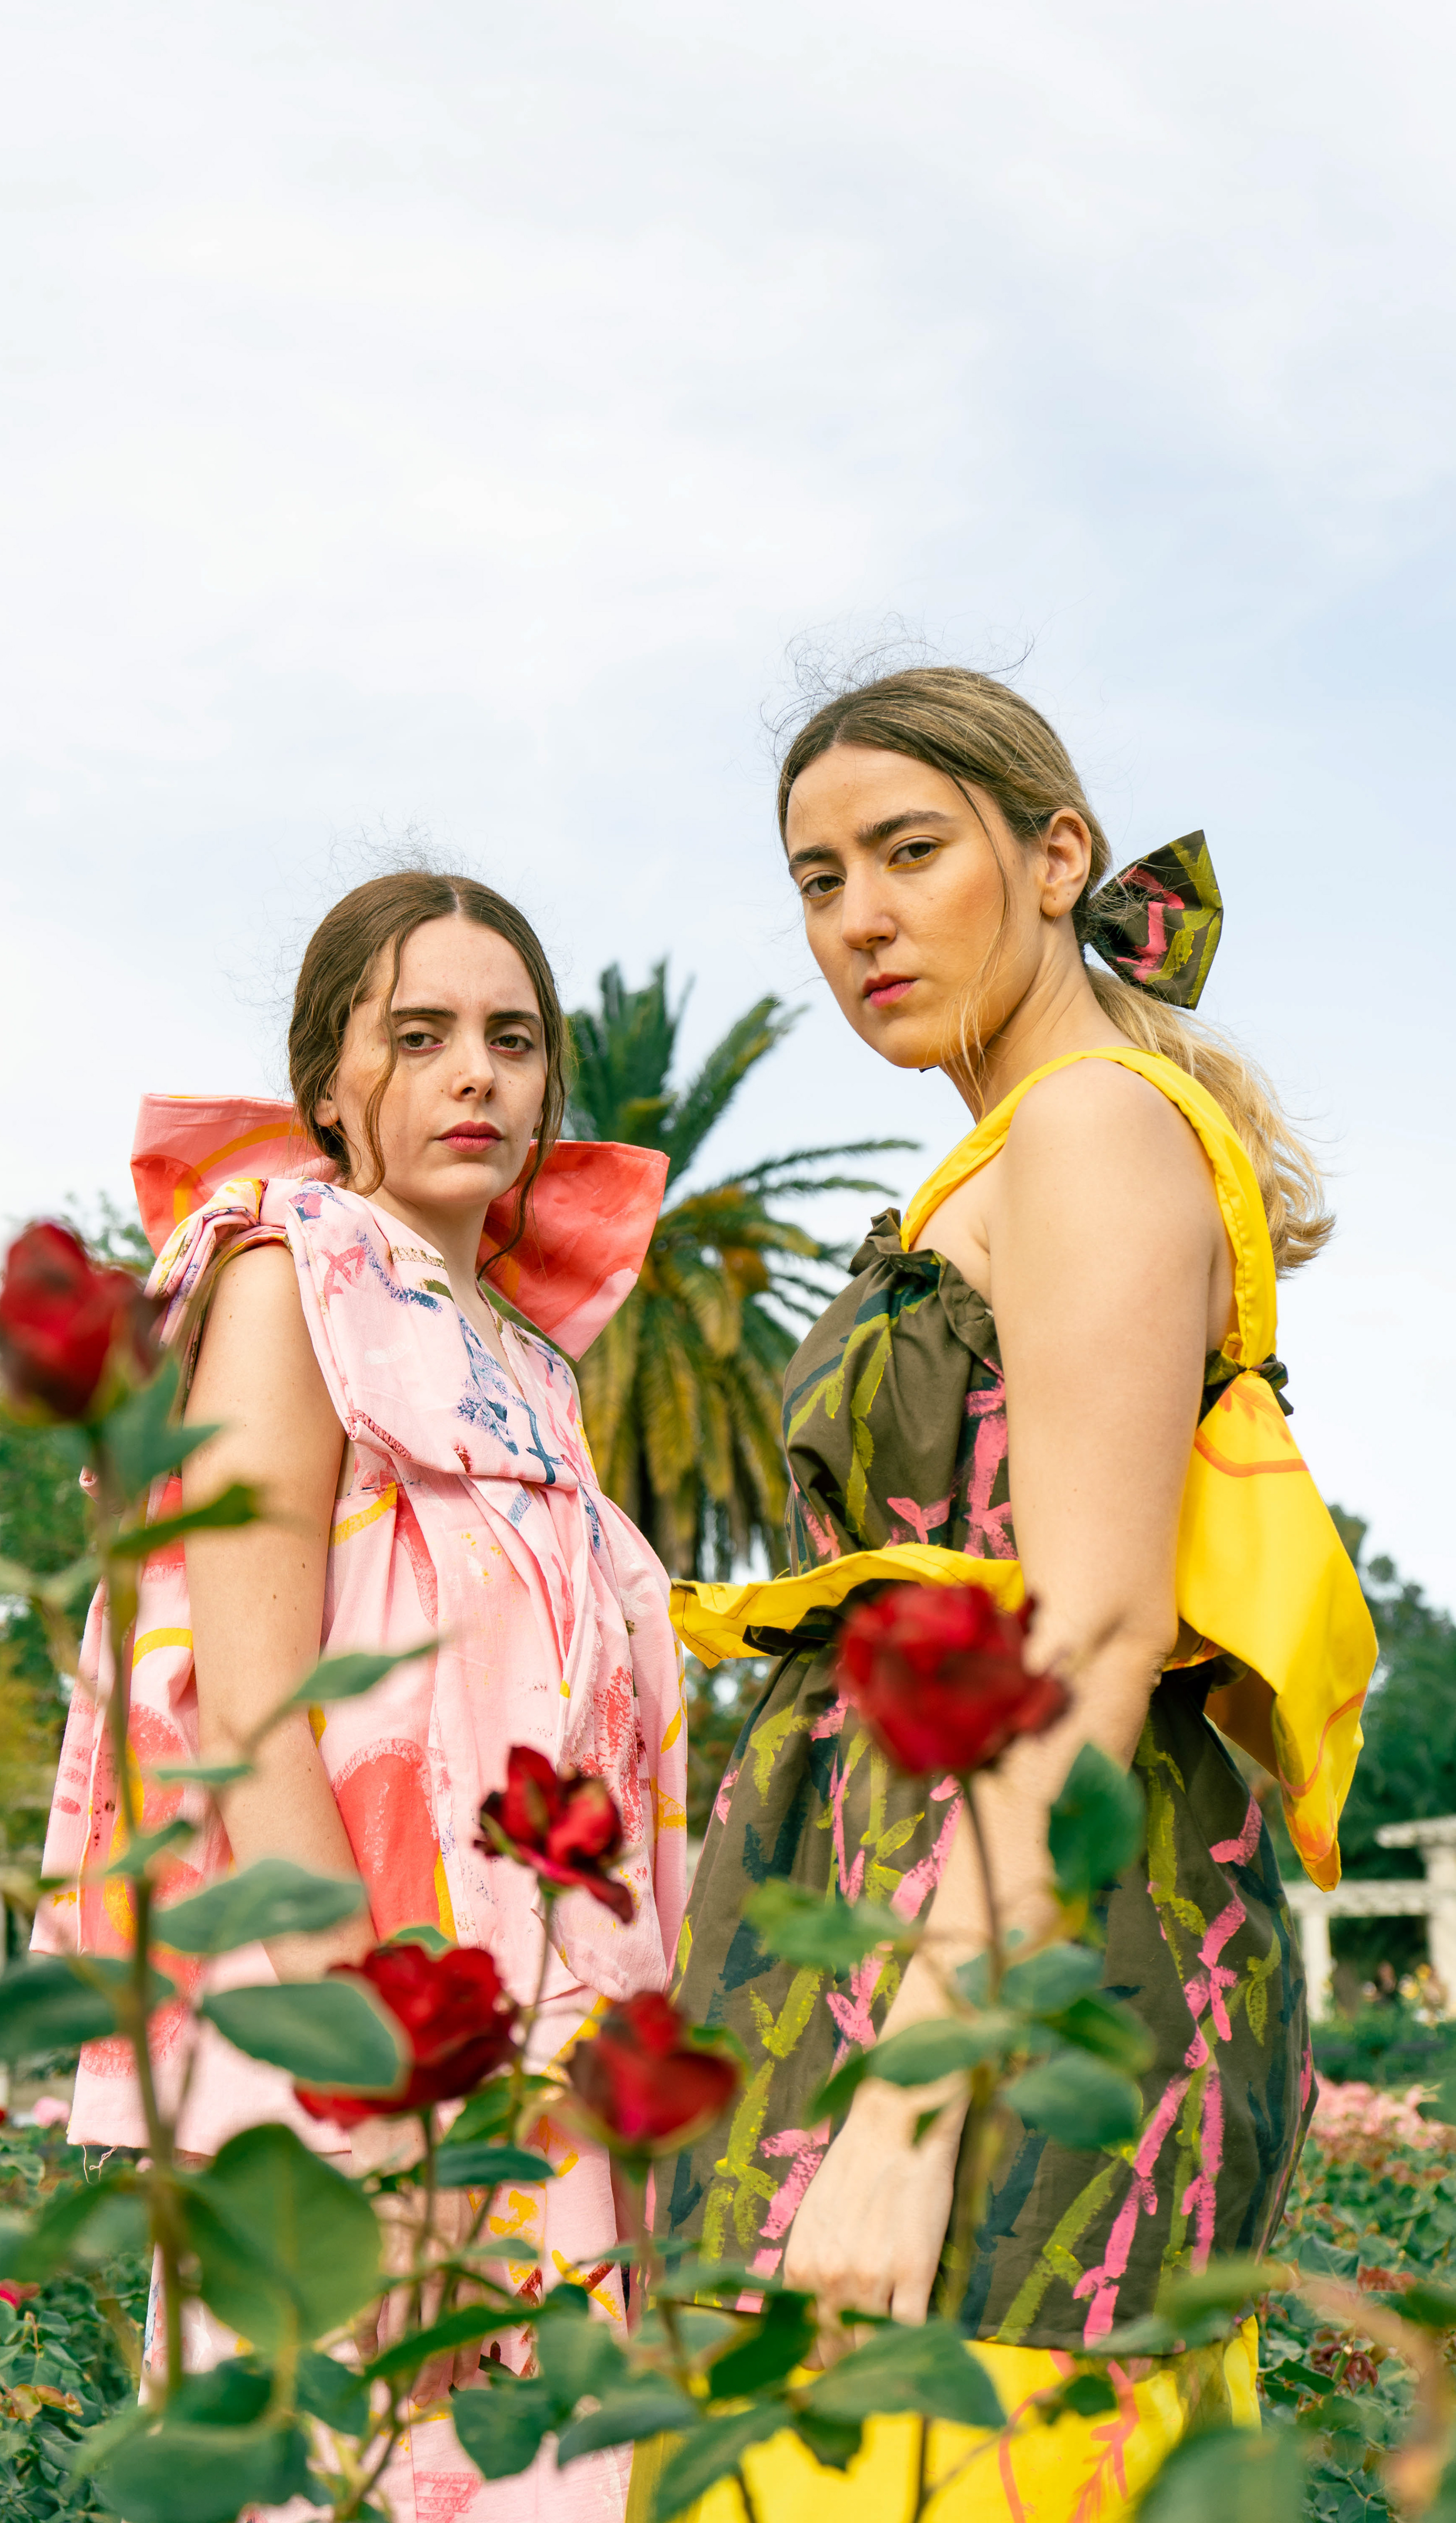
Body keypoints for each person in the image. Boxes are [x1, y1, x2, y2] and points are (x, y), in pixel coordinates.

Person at [649, 668, 1375, 2521]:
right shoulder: (1029, 1142)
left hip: (977, 1990)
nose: (859, 920)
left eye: (910, 852)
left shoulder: (1090, 1126)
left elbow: (1098, 1631)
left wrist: (905, 2111)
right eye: (819, 880)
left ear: (1058, 859)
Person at [36, 871, 689, 2523]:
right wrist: (396, 2114)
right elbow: (250, 1719)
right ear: (328, 1082)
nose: (477, 1073)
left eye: (513, 1040)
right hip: (361, 2084)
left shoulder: (532, 1367)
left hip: (539, 2082)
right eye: (420, 1035)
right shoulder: (291, 1271)